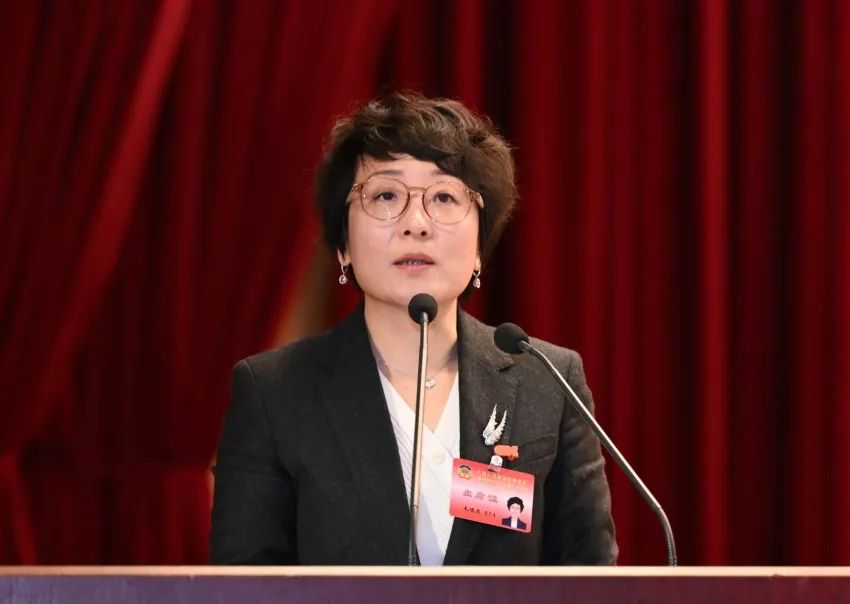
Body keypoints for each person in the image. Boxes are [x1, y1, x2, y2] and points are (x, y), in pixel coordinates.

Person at [209, 92, 617, 565]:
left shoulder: (547, 379)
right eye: (386, 196)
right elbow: (245, 585)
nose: (417, 224)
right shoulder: (274, 392)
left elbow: (592, 578)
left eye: (444, 197)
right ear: (343, 246)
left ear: (479, 248)